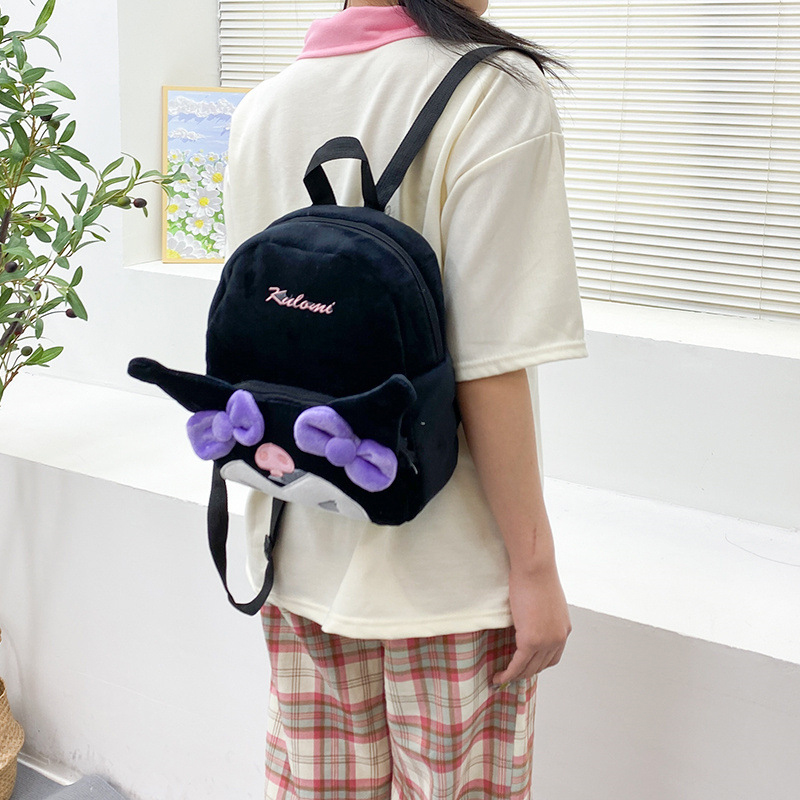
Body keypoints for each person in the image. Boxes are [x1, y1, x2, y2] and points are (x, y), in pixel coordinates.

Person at [222, 0, 589, 797]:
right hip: (445, 570)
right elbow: (488, 362)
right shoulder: (492, 92)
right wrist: (534, 569)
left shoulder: (263, 107)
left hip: (296, 532)